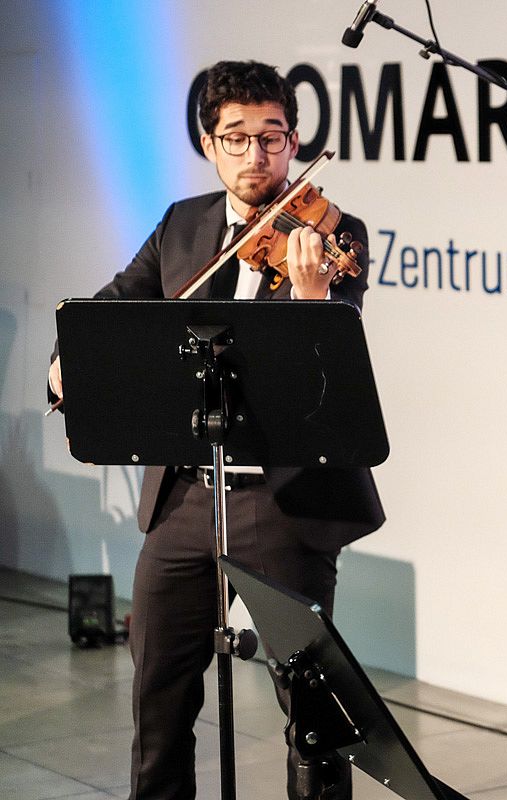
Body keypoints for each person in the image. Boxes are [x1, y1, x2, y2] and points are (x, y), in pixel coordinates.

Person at [48, 60, 384, 800]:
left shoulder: (334, 232)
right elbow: (110, 308)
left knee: (313, 711)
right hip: (185, 496)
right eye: (236, 137)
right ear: (209, 143)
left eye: (272, 136)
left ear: (294, 140)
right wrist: (68, 360)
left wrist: (311, 299)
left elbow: (327, 376)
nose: (255, 154)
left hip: (283, 499)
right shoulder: (182, 224)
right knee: (158, 693)